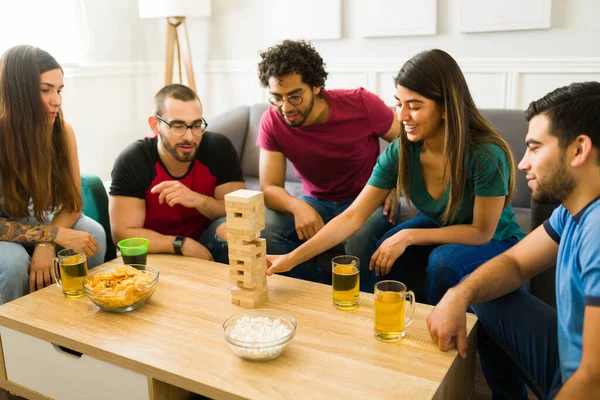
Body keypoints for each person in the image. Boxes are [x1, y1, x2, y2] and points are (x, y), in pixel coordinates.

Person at [266, 49, 525, 303]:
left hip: (498, 238)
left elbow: (481, 232)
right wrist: (290, 259)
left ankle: (440, 336)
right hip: (442, 225)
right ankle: (370, 315)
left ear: (446, 107)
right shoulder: (401, 152)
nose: (401, 116)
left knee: (442, 261)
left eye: (414, 106)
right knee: (384, 251)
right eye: (399, 104)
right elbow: (352, 216)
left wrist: (409, 236)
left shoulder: (486, 154)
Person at [427, 81, 600, 399]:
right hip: (569, 364)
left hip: (586, 381)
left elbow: (593, 379)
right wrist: (457, 296)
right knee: (481, 285)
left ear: (578, 150)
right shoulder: (572, 212)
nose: (523, 164)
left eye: (534, 147)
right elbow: (515, 263)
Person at [257, 40, 401, 289]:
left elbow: (408, 145)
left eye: (294, 96)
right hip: (315, 200)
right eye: (277, 98)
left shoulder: (361, 104)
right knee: (267, 226)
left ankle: (361, 300)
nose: (286, 108)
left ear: (315, 86)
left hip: (365, 198)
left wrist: (394, 183)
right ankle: (314, 293)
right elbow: (269, 187)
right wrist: (296, 206)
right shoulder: (272, 120)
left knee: (359, 236)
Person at [0, 45, 106, 305]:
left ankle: (78, 326)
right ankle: (14, 340)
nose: (57, 100)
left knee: (94, 236)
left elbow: (72, 202)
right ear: (17, 91)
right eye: (45, 90)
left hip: (41, 217)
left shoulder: (62, 131)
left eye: (59, 90)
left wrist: (47, 244)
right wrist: (53, 236)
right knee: (13, 264)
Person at [109, 84, 245, 263]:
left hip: (206, 241)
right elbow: (122, 235)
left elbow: (238, 213)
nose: (189, 137)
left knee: (234, 229)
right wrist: (180, 244)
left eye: (196, 125)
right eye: (178, 126)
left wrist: (198, 200)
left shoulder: (218, 149)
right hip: (156, 248)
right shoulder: (133, 161)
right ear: (154, 125)